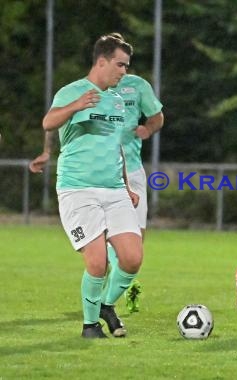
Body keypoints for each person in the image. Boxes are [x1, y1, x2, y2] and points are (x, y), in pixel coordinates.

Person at [30, 33, 164, 315]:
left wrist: (126, 185)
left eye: (126, 65)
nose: (125, 71)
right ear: (102, 62)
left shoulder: (120, 97)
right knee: (97, 262)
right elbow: (49, 122)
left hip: (118, 182)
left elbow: (118, 146)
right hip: (80, 186)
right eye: (120, 64)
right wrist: (75, 107)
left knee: (132, 253)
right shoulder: (73, 91)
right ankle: (93, 319)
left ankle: (108, 302)